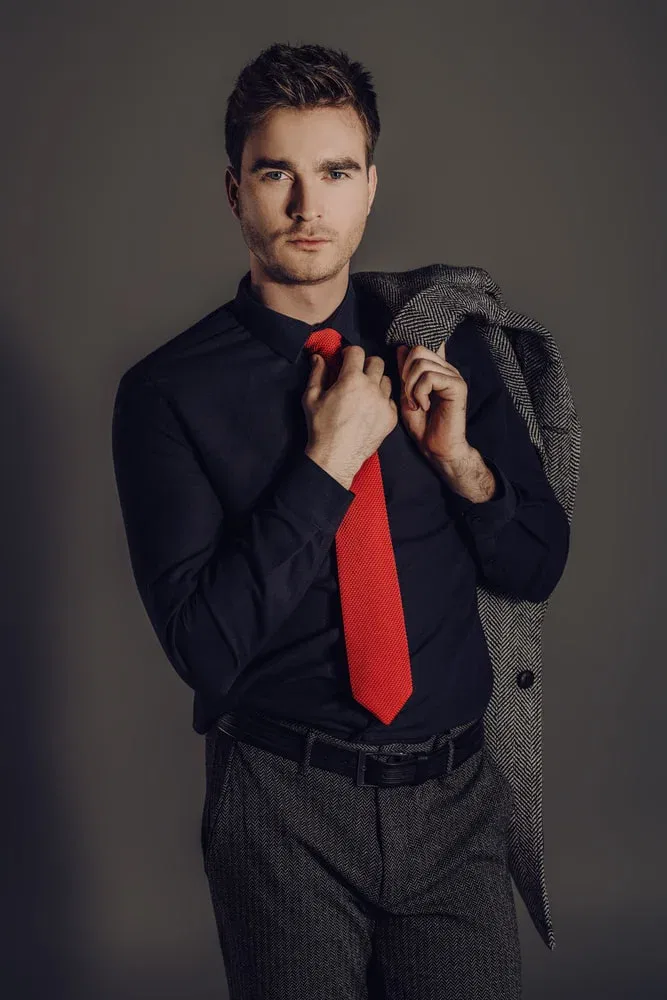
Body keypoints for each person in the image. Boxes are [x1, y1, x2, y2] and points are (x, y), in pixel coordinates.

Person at [112, 41, 573, 1000]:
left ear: (370, 187)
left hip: (456, 804)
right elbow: (204, 648)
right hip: (282, 807)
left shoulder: (448, 348)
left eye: (334, 173)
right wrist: (329, 460)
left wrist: (460, 463)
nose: (306, 207)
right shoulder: (167, 394)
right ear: (234, 190)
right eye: (276, 173)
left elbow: (536, 565)